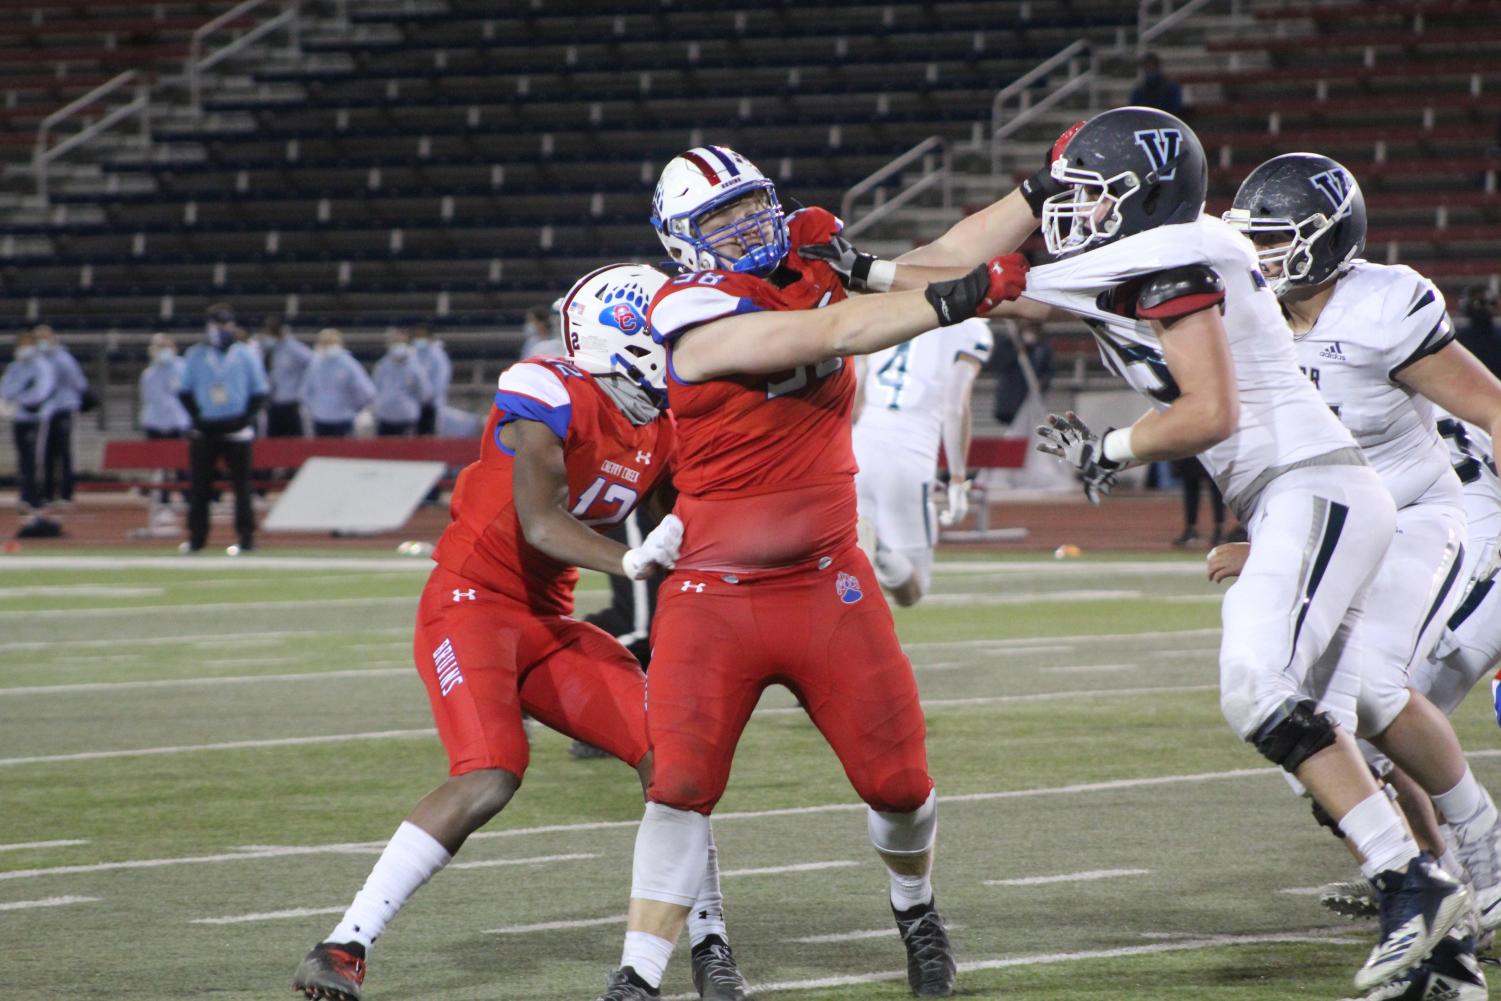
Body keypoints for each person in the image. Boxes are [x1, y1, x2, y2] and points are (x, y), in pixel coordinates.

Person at [800, 111, 1470, 993]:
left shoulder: (1162, 256)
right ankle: (1445, 963)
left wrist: (1108, 449)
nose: (1068, 210)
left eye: (1087, 193)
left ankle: (1410, 880)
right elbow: (963, 269)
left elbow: (1209, 412)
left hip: (1311, 486)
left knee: (1255, 687)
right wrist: (882, 262)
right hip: (1311, 491)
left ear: (1138, 195)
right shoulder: (1157, 242)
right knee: (1319, 726)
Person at [594, 144, 1027, 1001]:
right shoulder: (690, 306)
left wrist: (1035, 190)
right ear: (682, 242)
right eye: (720, 218)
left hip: (827, 577)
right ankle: (636, 976)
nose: (749, 224)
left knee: (899, 784)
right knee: (679, 784)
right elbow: (827, 330)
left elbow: (941, 250)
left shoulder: (812, 250)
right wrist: (952, 300)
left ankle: (916, 911)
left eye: (753, 204)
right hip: (714, 591)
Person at [292, 264, 750, 1001]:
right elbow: (541, 520)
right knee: (491, 770)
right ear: (622, 337)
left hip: (547, 621)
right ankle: (341, 945)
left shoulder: (661, 422)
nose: (680, 343)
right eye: (664, 330)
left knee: (675, 758)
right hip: (470, 602)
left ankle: (709, 943)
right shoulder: (545, 388)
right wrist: (633, 559)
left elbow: (687, 529)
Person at [852, 317, 992, 605]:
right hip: (908, 455)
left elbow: (855, 393)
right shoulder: (971, 329)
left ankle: (870, 550)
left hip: (858, 448)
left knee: (855, 580)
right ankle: (878, 549)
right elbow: (955, 408)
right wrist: (956, 478)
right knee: (913, 590)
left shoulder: (891, 306)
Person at [178, 303, 268, 554]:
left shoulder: (245, 354)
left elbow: (259, 392)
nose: (221, 329)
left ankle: (246, 537)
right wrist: (198, 418)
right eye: (216, 323)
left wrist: (244, 419)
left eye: (225, 323)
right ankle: (197, 538)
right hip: (205, 430)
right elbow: (184, 392)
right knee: (199, 487)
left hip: (237, 430)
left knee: (242, 487)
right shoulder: (196, 354)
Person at [34, 325, 90, 508]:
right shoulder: (39, 360)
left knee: (65, 452)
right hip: (47, 411)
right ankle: (49, 493)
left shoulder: (63, 359)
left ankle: (66, 493)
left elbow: (78, 382)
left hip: (64, 407)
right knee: (48, 453)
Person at [0, 329, 55, 513]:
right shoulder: (15, 367)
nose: (23, 349)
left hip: (36, 418)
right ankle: (25, 496)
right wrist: (16, 398)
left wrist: (20, 399)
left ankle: (36, 497)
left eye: (26, 345)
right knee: (23, 459)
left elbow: (41, 392)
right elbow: (5, 389)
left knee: (34, 458)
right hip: (19, 417)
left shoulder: (41, 365)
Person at [138, 333, 191, 510]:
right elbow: (147, 398)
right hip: (155, 422)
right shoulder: (149, 373)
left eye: (165, 347)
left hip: (178, 422)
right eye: (158, 347)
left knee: (182, 464)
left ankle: (189, 498)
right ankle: (163, 501)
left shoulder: (183, 368)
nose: (162, 351)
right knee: (159, 466)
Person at [301, 328, 375, 437]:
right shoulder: (315, 365)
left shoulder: (349, 364)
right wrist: (315, 408)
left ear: (339, 344)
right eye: (325, 343)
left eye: (330, 343)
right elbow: (305, 392)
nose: (328, 346)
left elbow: (366, 391)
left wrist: (354, 408)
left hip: (343, 419)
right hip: (320, 419)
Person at [371, 329, 433, 437]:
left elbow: (425, 392)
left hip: (406, 416)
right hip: (385, 415)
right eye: (395, 342)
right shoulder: (382, 365)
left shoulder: (415, 366)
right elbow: (376, 388)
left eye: (399, 342)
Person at [263, 316, 313, 437]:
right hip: (272, 401)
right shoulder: (268, 349)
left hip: (290, 402)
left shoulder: (294, 348)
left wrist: (303, 386)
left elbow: (313, 364)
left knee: (293, 439)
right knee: (272, 441)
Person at [1171, 457, 1225, 547]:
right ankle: (1218, 529)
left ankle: (1195, 528)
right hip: (1203, 451)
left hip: (1197, 450)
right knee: (1212, 487)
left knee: (1194, 487)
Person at [411, 323, 452, 435]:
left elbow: (441, 380)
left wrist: (428, 396)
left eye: (422, 336)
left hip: (432, 404)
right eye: (417, 336)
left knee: (429, 434)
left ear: (430, 337)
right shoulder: (414, 354)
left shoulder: (438, 356)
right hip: (415, 404)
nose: (419, 339)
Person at [1129, 53, 1185, 117]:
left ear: (1157, 66)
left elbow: (1174, 107)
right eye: (1146, 67)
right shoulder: (1139, 89)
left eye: (1150, 66)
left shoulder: (1170, 86)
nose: (1148, 70)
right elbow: (1134, 108)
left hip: (1165, 121)